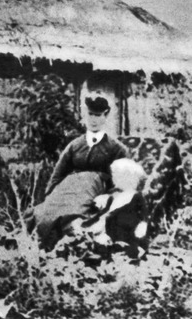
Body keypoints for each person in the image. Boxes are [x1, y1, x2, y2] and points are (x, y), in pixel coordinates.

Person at [31, 91, 130, 249]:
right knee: (40, 213)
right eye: (90, 114)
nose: (94, 120)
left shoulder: (117, 149)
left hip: (94, 192)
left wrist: (108, 197)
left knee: (73, 215)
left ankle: (73, 239)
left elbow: (124, 184)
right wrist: (49, 198)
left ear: (106, 115)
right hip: (69, 188)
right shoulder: (75, 145)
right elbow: (57, 175)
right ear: (85, 114)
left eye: (98, 115)